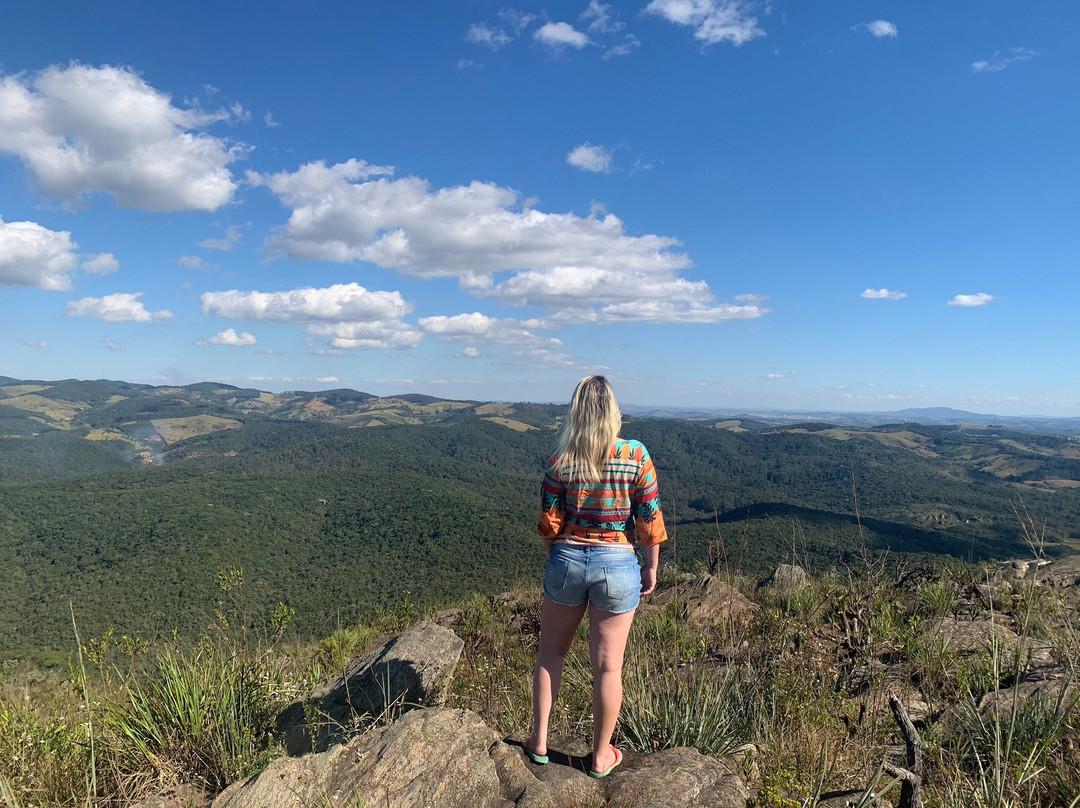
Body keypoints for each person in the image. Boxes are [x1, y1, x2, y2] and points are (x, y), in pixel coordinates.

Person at [525, 375, 668, 778]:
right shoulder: (636, 455)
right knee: (607, 668)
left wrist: (559, 554)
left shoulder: (561, 458)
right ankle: (601, 755)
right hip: (619, 563)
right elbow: (649, 518)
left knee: (551, 654)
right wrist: (650, 565)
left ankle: (538, 741)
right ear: (613, 412)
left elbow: (549, 523)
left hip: (568, 558)